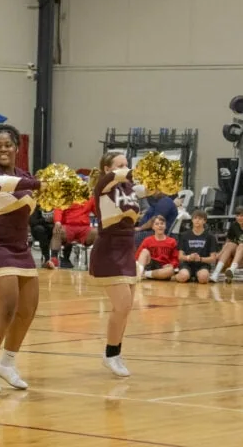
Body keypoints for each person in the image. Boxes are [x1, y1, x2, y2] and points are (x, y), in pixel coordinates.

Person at [0, 124, 41, 393]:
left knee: (28, 309)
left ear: (17, 148)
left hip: (20, 248)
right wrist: (40, 183)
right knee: (7, 307)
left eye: (7, 145)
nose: (3, 149)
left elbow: (30, 190)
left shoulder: (25, 175)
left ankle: (7, 364)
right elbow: (17, 186)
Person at [89, 152, 146, 377]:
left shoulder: (129, 188)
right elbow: (121, 176)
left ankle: (116, 353)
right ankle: (110, 354)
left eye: (126, 164)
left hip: (127, 251)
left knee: (126, 308)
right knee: (122, 305)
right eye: (120, 165)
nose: (125, 168)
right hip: (109, 251)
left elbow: (150, 188)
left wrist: (162, 178)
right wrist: (137, 172)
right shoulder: (103, 186)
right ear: (107, 169)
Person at [44, 196, 96, 269]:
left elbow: (98, 212)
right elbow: (58, 210)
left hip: (84, 228)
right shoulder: (65, 195)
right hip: (68, 226)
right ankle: (54, 260)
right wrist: (58, 222)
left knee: (97, 233)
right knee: (58, 230)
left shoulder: (90, 197)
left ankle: (99, 260)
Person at [176, 210, 218, 284]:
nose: (197, 220)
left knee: (203, 279)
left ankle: (198, 276)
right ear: (192, 220)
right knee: (183, 277)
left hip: (202, 264)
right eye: (195, 218)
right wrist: (188, 257)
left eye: (200, 219)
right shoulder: (184, 235)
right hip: (187, 264)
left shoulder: (210, 237)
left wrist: (200, 259)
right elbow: (180, 256)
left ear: (204, 221)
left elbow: (213, 259)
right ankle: (176, 275)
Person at [211, 206, 243, 283]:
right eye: (237, 216)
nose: (239, 218)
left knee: (242, 245)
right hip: (238, 253)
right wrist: (220, 254)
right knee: (230, 244)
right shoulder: (234, 225)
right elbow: (227, 242)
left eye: (242, 215)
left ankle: (232, 270)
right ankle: (216, 273)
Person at [135, 216, 178, 280]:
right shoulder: (147, 240)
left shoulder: (172, 241)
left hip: (163, 268)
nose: (160, 226)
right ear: (153, 227)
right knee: (144, 251)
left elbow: (175, 258)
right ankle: (139, 274)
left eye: (162, 223)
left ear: (165, 226)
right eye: (157, 224)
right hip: (150, 264)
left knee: (170, 271)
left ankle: (146, 274)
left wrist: (172, 265)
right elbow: (138, 256)